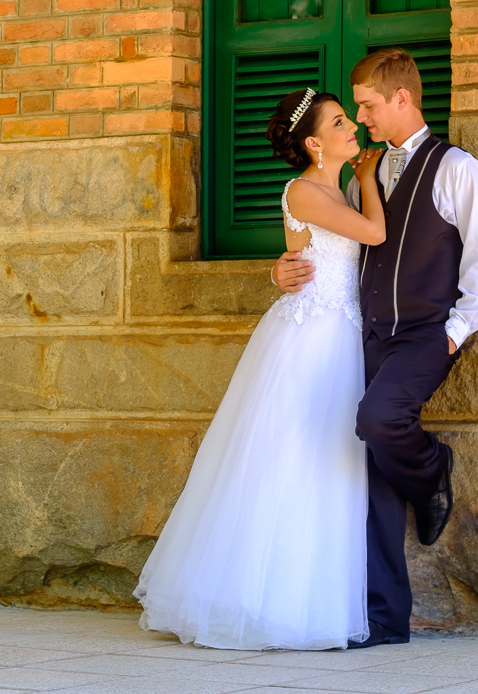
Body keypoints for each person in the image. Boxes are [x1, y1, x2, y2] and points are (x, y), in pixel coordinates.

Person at [134, 88, 386, 650]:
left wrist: (358, 179)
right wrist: (369, 176)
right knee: (291, 459)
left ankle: (305, 599)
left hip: (334, 332)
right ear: (315, 143)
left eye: (351, 119)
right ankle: (258, 601)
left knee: (325, 462)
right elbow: (373, 233)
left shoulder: (332, 186)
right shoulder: (305, 189)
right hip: (312, 338)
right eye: (341, 122)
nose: (352, 129)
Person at [272, 48, 478, 648]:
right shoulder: (358, 174)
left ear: (401, 99)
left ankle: (431, 470)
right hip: (365, 333)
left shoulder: (457, 169)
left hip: (425, 335)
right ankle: (384, 620)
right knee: (373, 477)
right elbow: (328, 245)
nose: (361, 116)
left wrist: (451, 334)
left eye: (368, 105)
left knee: (379, 421)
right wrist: (284, 269)